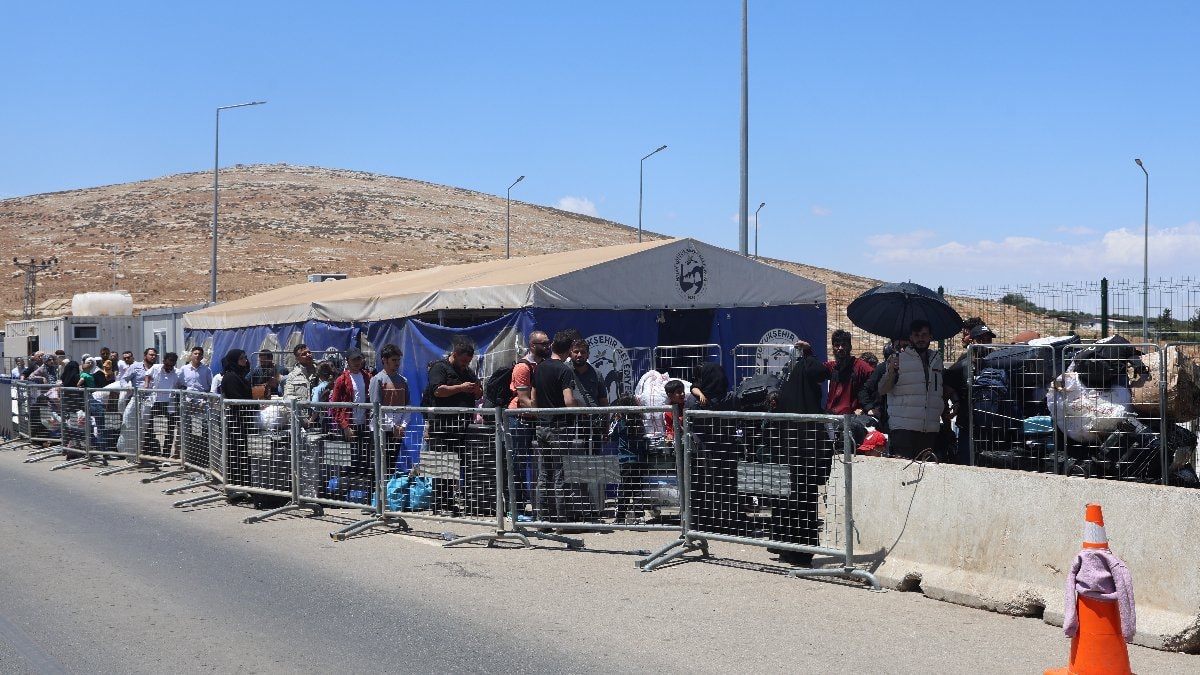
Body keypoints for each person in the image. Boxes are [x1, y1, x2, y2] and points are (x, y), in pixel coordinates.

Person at [771, 339, 837, 566]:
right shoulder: (806, 397)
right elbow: (820, 372)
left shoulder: (786, 386)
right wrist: (811, 354)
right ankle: (800, 552)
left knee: (786, 501)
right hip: (803, 457)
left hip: (786, 456)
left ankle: (785, 549)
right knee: (803, 502)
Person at [879, 319, 957, 460]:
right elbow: (882, 389)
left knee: (924, 471)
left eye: (924, 335)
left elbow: (942, 388)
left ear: (930, 337)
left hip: (930, 430)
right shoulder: (897, 360)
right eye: (916, 335)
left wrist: (955, 401)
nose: (920, 339)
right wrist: (891, 372)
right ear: (910, 337)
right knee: (903, 470)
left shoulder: (937, 361)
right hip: (903, 429)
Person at [426, 338, 483, 516]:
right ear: (455, 354)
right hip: (442, 426)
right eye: (464, 360)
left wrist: (476, 390)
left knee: (453, 468)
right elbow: (438, 390)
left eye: (468, 361)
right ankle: (438, 504)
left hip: (461, 427)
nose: (466, 364)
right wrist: (461, 387)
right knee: (441, 467)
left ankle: (450, 503)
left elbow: (479, 393)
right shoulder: (440, 368)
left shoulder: (468, 372)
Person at [531, 330, 579, 521]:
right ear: (568, 350)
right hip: (559, 427)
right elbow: (568, 401)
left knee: (543, 475)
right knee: (560, 474)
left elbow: (533, 400)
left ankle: (543, 519)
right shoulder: (565, 370)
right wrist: (580, 406)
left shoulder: (539, 368)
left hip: (541, 425)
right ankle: (562, 520)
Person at [508, 330, 550, 513]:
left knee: (541, 464)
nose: (547, 347)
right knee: (517, 464)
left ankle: (539, 506)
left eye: (548, 343)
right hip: (520, 420)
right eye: (544, 344)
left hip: (536, 420)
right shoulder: (523, 367)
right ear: (533, 346)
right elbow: (524, 400)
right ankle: (516, 509)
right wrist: (543, 413)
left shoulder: (544, 365)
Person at [330, 348, 373, 492]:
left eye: (359, 359)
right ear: (347, 361)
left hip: (364, 425)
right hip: (349, 425)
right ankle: (345, 491)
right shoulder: (341, 379)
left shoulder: (368, 376)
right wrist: (345, 426)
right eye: (354, 359)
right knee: (348, 461)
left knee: (364, 459)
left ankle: (361, 491)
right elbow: (335, 406)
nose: (357, 362)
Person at [369, 343, 411, 472]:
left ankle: (388, 486)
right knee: (378, 467)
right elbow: (376, 408)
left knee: (391, 466)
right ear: (384, 360)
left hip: (397, 431)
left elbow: (407, 406)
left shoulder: (403, 381)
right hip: (381, 431)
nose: (397, 363)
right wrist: (393, 426)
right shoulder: (377, 380)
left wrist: (402, 426)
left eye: (398, 360)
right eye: (394, 360)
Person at [219, 349, 253, 490]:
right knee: (236, 453)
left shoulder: (238, 375)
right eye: (242, 358)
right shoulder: (231, 377)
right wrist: (254, 404)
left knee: (243, 453)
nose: (245, 361)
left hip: (242, 420)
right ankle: (236, 485)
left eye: (245, 357)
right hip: (236, 421)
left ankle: (244, 484)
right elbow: (237, 398)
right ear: (234, 361)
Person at [824, 330, 875, 415]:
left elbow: (877, 384)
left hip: (852, 418)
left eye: (844, 345)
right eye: (837, 345)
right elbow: (813, 370)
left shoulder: (860, 366)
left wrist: (865, 408)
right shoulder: (832, 367)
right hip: (831, 417)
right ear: (833, 348)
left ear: (850, 347)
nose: (840, 348)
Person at [143, 351, 182, 458]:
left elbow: (181, 384)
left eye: (171, 366)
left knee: (170, 430)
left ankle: (166, 455)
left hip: (170, 404)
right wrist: (146, 384)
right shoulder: (156, 367)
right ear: (164, 361)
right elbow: (147, 375)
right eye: (167, 365)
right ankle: (153, 452)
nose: (169, 367)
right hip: (155, 402)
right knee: (151, 427)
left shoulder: (177, 372)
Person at [569, 339, 608, 407]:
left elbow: (603, 400)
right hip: (571, 413)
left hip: (594, 413)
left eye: (583, 352)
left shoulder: (597, 374)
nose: (579, 355)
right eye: (576, 352)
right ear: (570, 353)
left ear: (588, 354)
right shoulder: (564, 370)